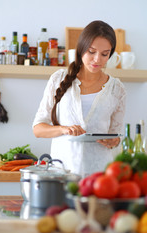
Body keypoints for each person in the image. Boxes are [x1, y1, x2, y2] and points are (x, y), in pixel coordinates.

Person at [32, 20, 126, 177]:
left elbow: (115, 136)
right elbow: (38, 129)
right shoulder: (58, 79)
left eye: (104, 54)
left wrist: (114, 141)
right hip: (62, 174)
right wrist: (64, 129)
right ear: (81, 48)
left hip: (100, 178)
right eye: (91, 51)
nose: (97, 59)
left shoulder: (117, 89)